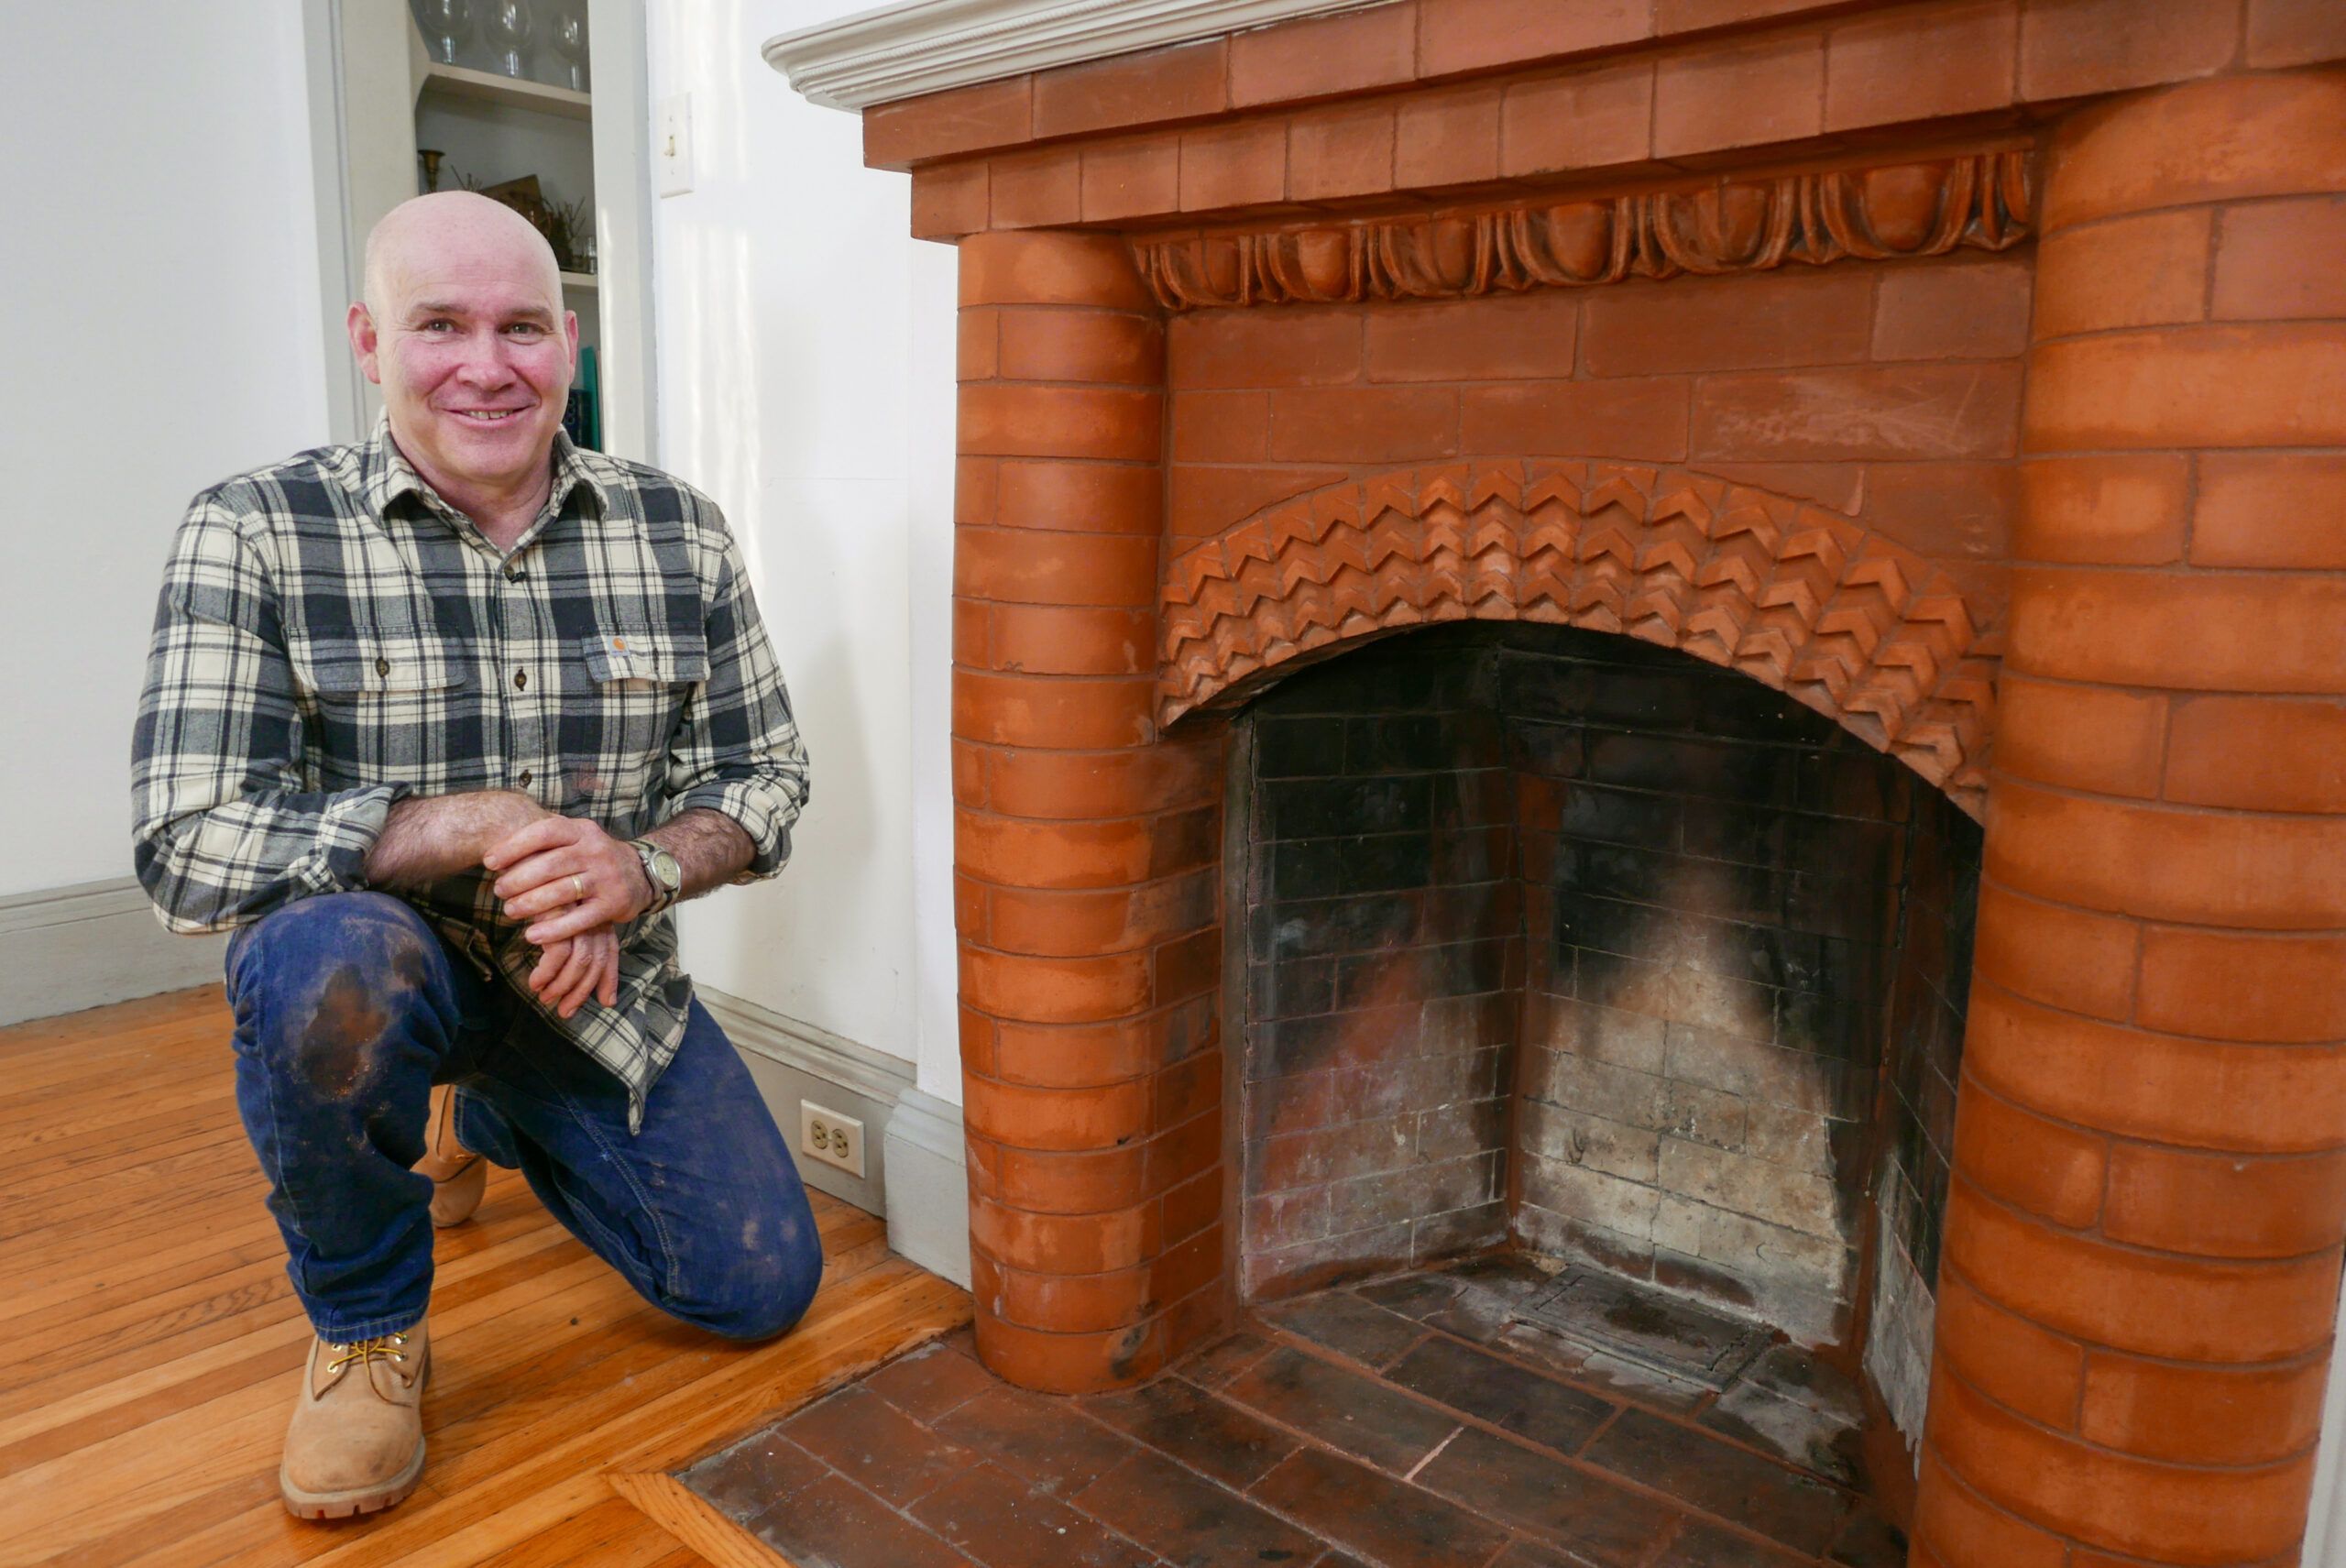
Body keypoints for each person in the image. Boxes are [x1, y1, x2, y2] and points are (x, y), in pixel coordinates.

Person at [129, 192, 822, 1520]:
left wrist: (645, 868)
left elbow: (765, 776)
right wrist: (477, 821)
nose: (487, 367)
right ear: (369, 341)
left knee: (755, 1290)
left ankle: (487, 1111)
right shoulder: (256, 528)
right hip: (380, 968)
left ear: (570, 341)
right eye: (439, 325)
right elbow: (184, 842)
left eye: (521, 328)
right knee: (327, 963)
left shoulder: (677, 530)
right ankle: (367, 1328)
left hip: (593, 992)